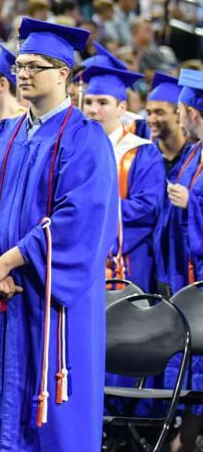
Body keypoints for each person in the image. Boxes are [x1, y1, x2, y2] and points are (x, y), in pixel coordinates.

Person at [0, 18, 117, 452]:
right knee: (10, 415)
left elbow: (80, 217)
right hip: (9, 301)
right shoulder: (3, 137)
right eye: (19, 65)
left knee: (61, 421)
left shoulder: (86, 139)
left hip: (55, 305)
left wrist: (10, 260)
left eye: (36, 66)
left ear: (64, 74)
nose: (23, 73)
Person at [79, 64, 166, 292]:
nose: (93, 110)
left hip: (128, 258)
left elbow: (147, 207)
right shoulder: (74, 149)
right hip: (80, 257)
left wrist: (92, 210)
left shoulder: (142, 151)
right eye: (88, 102)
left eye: (103, 102)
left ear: (122, 108)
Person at [164, 70, 203, 452]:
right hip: (188, 273)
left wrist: (192, 204)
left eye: (180, 110)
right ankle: (185, 434)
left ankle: (189, 439)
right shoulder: (193, 151)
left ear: (193, 112)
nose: (177, 119)